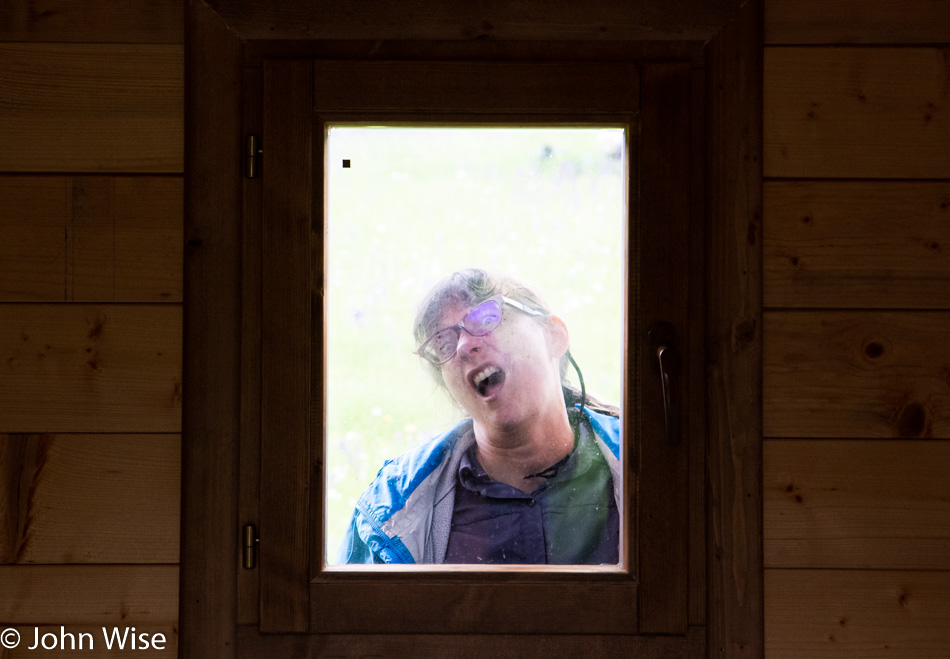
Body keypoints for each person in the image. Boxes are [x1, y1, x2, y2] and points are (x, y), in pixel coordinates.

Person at [338, 269, 621, 564]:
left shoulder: (648, 468)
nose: (464, 345)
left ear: (554, 336)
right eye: (444, 344)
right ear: (452, 393)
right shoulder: (390, 514)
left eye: (488, 317)